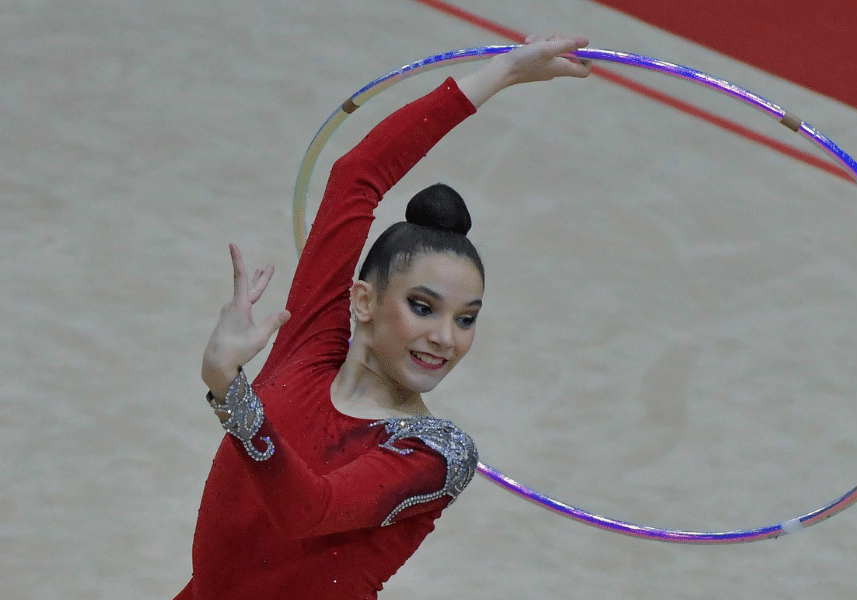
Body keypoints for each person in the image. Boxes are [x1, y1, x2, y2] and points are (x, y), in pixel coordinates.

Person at [173, 36, 592, 600]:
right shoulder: (308, 343)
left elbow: (309, 510)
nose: (445, 337)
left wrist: (230, 390)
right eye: (423, 306)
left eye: (466, 319)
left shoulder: (436, 454)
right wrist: (502, 74)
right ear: (364, 301)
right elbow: (356, 176)